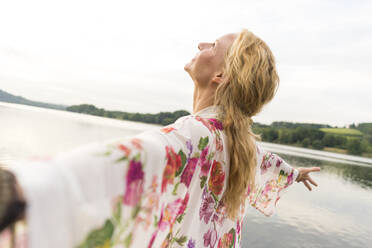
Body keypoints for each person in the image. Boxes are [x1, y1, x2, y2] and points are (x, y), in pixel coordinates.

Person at [0, 29, 320, 248]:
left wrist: (18, 187)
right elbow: (269, 162)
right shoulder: (244, 143)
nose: (200, 45)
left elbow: (127, 160)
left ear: (221, 76)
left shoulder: (195, 133)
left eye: (212, 46)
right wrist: (294, 174)